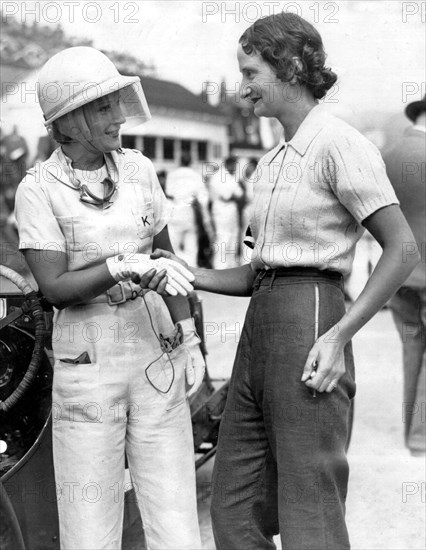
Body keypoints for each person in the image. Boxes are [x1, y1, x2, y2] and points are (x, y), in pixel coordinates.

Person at [150, 13, 420, 550]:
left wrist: (338, 335)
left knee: (308, 503)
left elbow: (402, 249)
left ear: (292, 67)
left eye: (251, 71)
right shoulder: (271, 161)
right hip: (261, 324)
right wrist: (188, 273)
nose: (242, 85)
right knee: (235, 505)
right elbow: (258, 270)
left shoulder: (340, 144)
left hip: (311, 313)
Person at [14, 46, 204, 550]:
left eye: (116, 104)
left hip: (152, 349)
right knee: (89, 518)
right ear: (68, 121)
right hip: (88, 360)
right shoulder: (38, 189)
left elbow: (166, 258)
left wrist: (188, 337)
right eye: (102, 107)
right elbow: (53, 287)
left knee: (174, 509)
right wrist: (117, 265)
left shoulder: (139, 171)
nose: (118, 117)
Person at [384, 94, 426, 456]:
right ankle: (421, 437)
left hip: (399, 272)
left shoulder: (389, 156)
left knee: (412, 349)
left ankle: (412, 435)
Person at [166, 152, 212, 266]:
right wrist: (206, 220)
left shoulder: (172, 174)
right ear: (191, 162)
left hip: (174, 214)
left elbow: (168, 193)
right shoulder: (196, 175)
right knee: (191, 248)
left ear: (179, 161)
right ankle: (191, 273)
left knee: (174, 246)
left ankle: (175, 270)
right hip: (189, 214)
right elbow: (203, 199)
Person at [210, 155, 243, 268]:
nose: (235, 167)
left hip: (231, 210)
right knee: (223, 238)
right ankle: (220, 266)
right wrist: (234, 195)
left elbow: (240, 194)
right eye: (234, 164)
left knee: (233, 237)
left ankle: (231, 265)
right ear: (229, 164)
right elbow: (226, 196)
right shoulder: (218, 176)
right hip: (222, 210)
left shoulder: (230, 176)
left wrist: (234, 195)